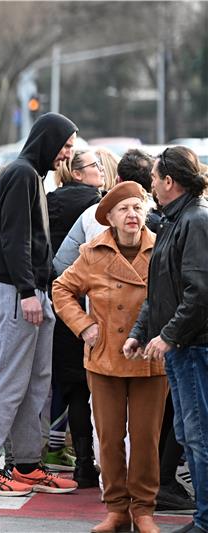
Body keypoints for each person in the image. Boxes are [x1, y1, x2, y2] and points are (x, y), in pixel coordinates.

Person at [0, 112, 79, 496]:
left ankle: (27, 466)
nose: (67, 154)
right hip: (18, 293)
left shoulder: (29, 175)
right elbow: (15, 240)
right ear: (48, 141)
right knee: (12, 380)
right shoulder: (22, 175)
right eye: (64, 145)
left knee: (35, 383)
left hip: (29, 292)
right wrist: (29, 291)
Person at [54, 181, 164, 533]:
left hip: (150, 358)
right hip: (104, 359)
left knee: (146, 439)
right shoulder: (92, 252)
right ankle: (117, 509)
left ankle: (143, 509)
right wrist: (84, 326)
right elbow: (61, 288)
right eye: (123, 209)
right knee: (109, 438)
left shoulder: (161, 248)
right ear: (111, 218)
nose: (132, 215)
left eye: (137, 207)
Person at [123, 146, 208, 533]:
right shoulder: (177, 220)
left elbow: (198, 292)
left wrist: (169, 335)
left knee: (198, 438)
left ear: (170, 182)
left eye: (155, 178)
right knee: (190, 436)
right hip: (182, 348)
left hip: (194, 349)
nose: (151, 185)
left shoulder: (194, 221)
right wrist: (142, 332)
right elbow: (161, 291)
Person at [45, 149, 104, 485]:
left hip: (67, 303)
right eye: (94, 167)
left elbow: (55, 262)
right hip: (103, 305)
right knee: (110, 392)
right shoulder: (99, 207)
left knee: (76, 388)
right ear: (79, 173)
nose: (99, 171)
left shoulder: (50, 202)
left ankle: (83, 463)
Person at [54, 148, 158, 275]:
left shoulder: (92, 212)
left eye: (137, 208)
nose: (131, 215)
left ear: (118, 180)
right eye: (95, 165)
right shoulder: (98, 209)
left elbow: (61, 268)